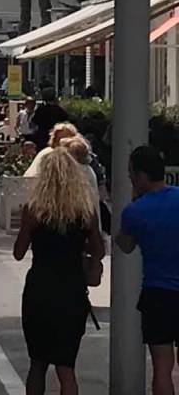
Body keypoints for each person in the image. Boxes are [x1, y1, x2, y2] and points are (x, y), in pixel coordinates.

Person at [14, 148, 104, 395]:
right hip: (71, 291)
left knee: (37, 363)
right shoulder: (85, 212)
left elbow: (19, 252)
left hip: (40, 289)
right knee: (66, 368)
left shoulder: (34, 210)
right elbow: (99, 250)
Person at [117, 146, 179, 395]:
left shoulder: (135, 212)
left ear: (141, 176)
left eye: (131, 173)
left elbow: (126, 245)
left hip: (158, 294)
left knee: (162, 367)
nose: (130, 178)